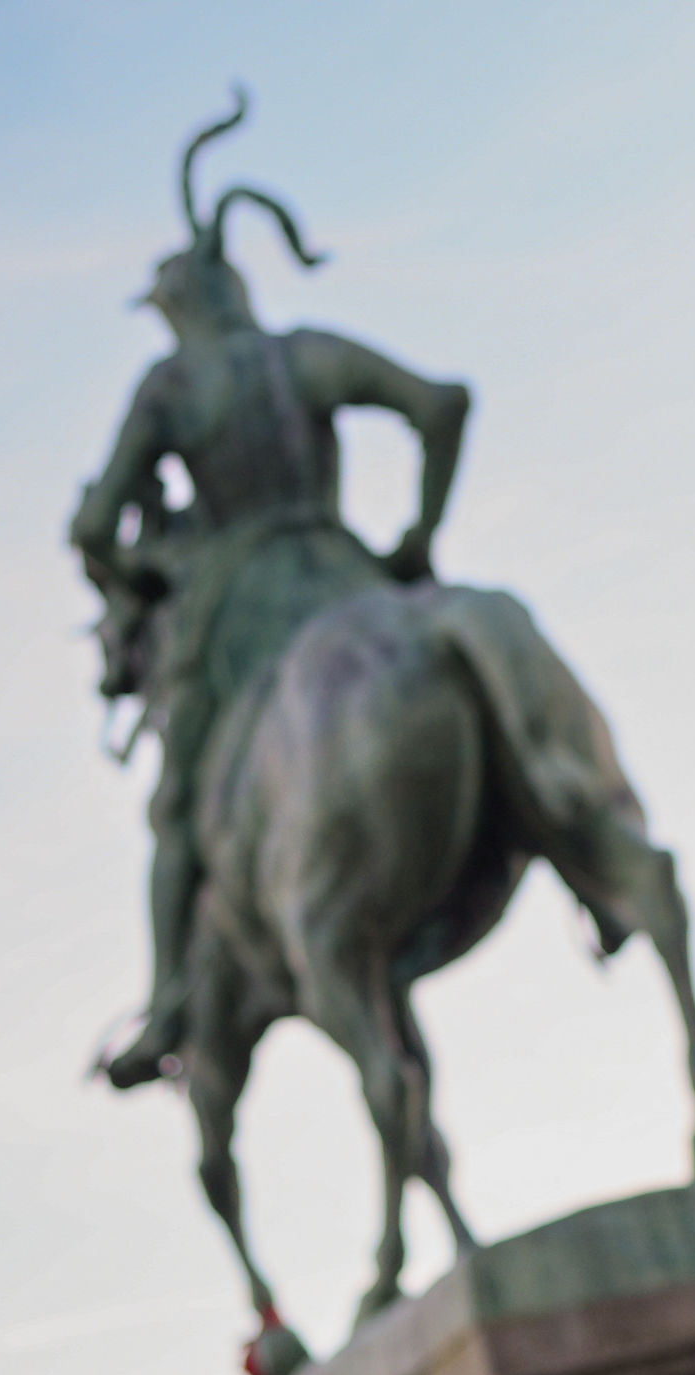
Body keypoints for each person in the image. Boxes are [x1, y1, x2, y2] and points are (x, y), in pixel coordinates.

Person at [71, 93, 471, 1087]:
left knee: (176, 815)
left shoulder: (169, 390)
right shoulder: (305, 355)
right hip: (349, 573)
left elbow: (91, 528)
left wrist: (138, 572)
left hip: (236, 615)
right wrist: (418, 540)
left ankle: (168, 1000)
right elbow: (440, 405)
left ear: (177, 310)